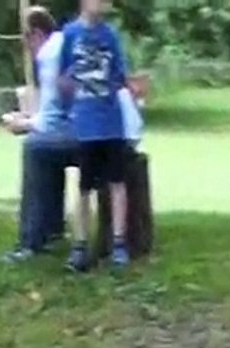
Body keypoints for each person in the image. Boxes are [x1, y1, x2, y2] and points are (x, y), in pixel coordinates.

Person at [59, 0, 132, 272]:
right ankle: (80, 246)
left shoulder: (110, 35)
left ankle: (119, 244)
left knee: (117, 182)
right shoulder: (70, 34)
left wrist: (132, 87)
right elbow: (62, 77)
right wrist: (69, 100)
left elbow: (120, 75)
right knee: (84, 186)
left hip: (111, 123)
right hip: (85, 123)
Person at [1, 6, 77, 263]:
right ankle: (53, 231)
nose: (29, 51)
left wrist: (23, 124)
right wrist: (32, 120)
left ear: (35, 34)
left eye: (26, 42)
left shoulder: (48, 55)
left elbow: (53, 118)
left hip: (85, 135)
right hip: (102, 130)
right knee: (46, 147)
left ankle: (30, 241)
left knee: (36, 148)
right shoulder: (64, 44)